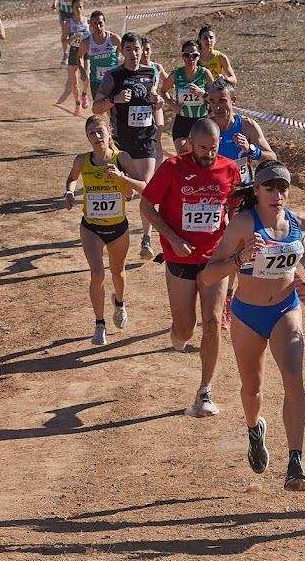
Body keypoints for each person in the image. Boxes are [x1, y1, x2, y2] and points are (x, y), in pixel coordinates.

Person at [199, 161, 305, 490]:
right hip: (247, 315)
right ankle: (254, 430)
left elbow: (304, 248)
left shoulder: (298, 221)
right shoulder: (242, 226)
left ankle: (295, 462)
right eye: (270, 188)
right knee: (252, 389)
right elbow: (208, 275)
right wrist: (241, 258)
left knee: (294, 379)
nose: (277, 195)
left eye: (283, 189)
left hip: (285, 310)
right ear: (257, 190)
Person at [141, 119, 242, 418]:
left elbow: (235, 208)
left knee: (212, 321)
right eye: (203, 148)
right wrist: (173, 238)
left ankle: (205, 391)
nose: (209, 154)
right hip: (180, 258)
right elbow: (146, 206)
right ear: (189, 144)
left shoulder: (229, 169)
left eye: (213, 148)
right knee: (184, 328)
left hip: (215, 258)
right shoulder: (172, 168)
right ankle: (178, 334)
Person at [64, 116, 148, 346]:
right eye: (91, 133)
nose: (97, 136)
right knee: (98, 274)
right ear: (87, 137)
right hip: (91, 227)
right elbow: (71, 179)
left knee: (117, 273)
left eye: (100, 131)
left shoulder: (122, 158)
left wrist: (122, 177)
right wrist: (69, 192)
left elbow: (144, 187)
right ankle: (99, 323)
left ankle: (119, 303)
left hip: (118, 228)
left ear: (109, 131)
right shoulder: (82, 160)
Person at [92, 32, 163, 258]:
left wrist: (158, 101)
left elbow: (154, 97)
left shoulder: (151, 72)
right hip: (122, 142)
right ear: (122, 51)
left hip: (146, 139)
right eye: (129, 49)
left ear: (143, 50)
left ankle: (146, 239)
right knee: (126, 190)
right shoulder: (113, 76)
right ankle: (111, 231)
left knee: (147, 190)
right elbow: (96, 107)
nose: (133, 53)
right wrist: (115, 100)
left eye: (137, 49)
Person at [208, 79, 275, 186]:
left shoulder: (247, 126)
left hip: (242, 189)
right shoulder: (205, 128)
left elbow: (272, 158)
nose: (217, 106)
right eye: (212, 101)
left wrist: (251, 150)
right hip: (215, 189)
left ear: (233, 100)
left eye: (222, 100)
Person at [160, 39, 213, 154]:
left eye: (194, 55)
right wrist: (172, 105)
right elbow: (163, 91)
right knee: (183, 154)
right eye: (187, 55)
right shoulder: (176, 74)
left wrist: (202, 93)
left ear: (199, 56)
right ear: (182, 56)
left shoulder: (205, 73)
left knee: (200, 155)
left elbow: (215, 98)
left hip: (201, 121)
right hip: (182, 120)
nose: (191, 58)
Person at [54, 0, 92, 112]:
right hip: (74, 52)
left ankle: (84, 94)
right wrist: (73, 37)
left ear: (83, 8)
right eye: (76, 7)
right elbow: (63, 41)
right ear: (72, 9)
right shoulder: (69, 23)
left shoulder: (87, 21)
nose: (79, 9)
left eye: (80, 7)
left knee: (86, 76)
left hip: (86, 51)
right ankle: (77, 102)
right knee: (74, 82)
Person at [78, 10, 121, 106]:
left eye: (100, 23)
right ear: (91, 25)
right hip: (96, 82)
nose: (98, 27)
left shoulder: (114, 39)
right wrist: (82, 71)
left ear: (104, 23)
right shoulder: (86, 42)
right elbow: (79, 57)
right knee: (99, 108)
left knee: (114, 108)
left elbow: (126, 54)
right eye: (94, 24)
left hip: (113, 80)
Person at [51, 0, 87, 65]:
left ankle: (80, 52)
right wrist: (54, 3)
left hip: (74, 12)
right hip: (63, 12)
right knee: (64, 32)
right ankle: (65, 54)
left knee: (76, 33)